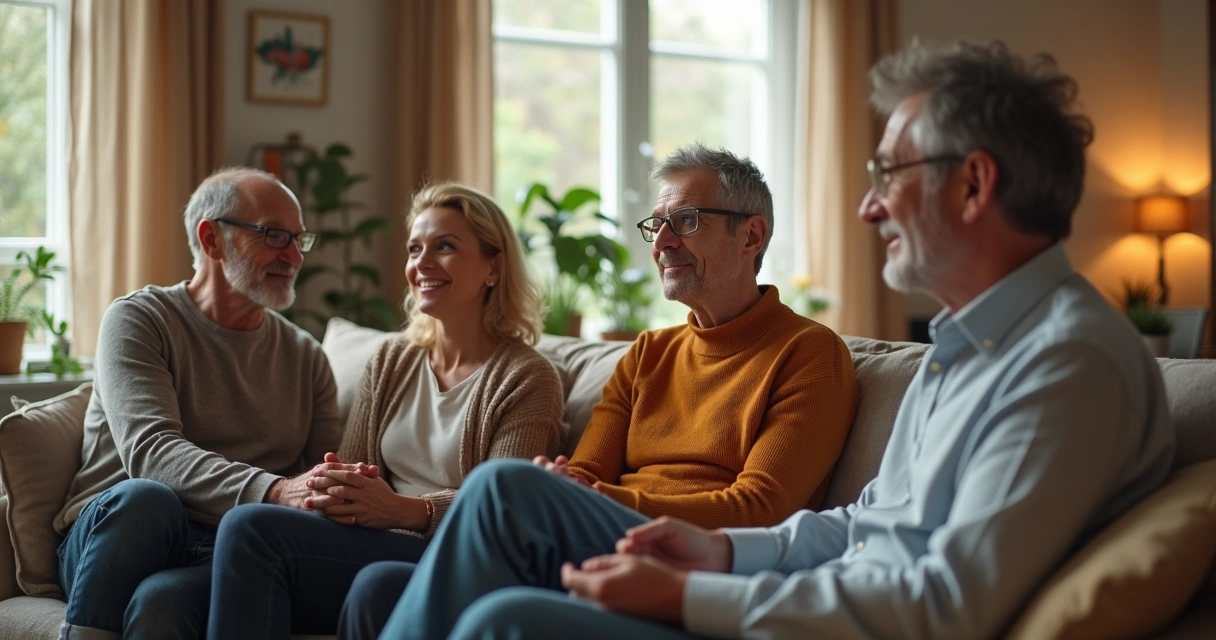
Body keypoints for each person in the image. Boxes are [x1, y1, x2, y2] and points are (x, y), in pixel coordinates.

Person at [374, 40, 1177, 640]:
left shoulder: (1067, 363)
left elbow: (944, 606)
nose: (868, 208)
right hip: (797, 589)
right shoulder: (962, 350)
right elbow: (866, 524)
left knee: (503, 587)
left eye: (889, 174)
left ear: (972, 184)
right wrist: (719, 556)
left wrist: (692, 595)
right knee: (457, 561)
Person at [349, 143, 860, 639]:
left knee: (503, 486)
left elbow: (761, 510)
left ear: (751, 236)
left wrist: (587, 496)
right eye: (656, 225)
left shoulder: (810, 353)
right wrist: (575, 489)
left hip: (696, 564)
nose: (661, 243)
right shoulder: (647, 354)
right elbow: (586, 472)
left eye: (685, 221)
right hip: (609, 538)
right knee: (379, 589)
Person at [204, 182, 566, 639]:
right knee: (239, 537)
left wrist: (406, 510)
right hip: (374, 542)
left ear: (493, 267)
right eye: (415, 249)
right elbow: (358, 467)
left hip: (459, 554)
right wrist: (338, 486)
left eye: (446, 247)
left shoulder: (528, 377)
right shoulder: (391, 359)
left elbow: (503, 508)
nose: (422, 264)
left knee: (269, 536)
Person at [52, 168, 344, 640]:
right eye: (273, 235)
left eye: (298, 239)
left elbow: (321, 470)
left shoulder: (306, 356)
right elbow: (151, 453)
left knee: (161, 603)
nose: (292, 256)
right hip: (117, 534)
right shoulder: (141, 319)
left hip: (226, 544)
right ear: (212, 239)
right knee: (149, 499)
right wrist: (274, 491)